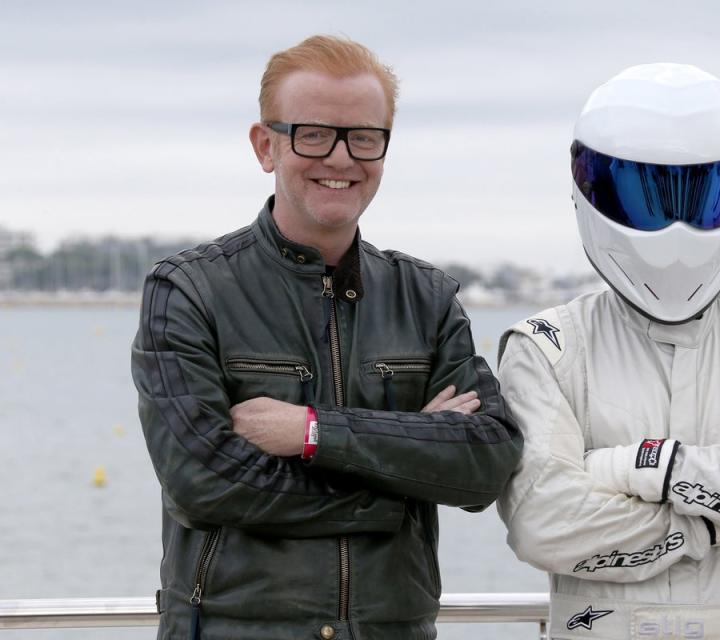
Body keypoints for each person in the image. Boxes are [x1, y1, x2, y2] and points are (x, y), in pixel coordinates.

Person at [131, 35, 522, 640]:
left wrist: (312, 432)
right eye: (312, 134)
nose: (341, 158)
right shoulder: (190, 290)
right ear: (266, 146)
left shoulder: (427, 297)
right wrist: (397, 489)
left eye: (364, 137)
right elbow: (203, 482)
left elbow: (485, 463)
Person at [496, 64, 720, 639]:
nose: (675, 224)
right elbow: (545, 525)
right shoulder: (546, 348)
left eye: (704, 192)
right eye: (646, 193)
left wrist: (641, 467)